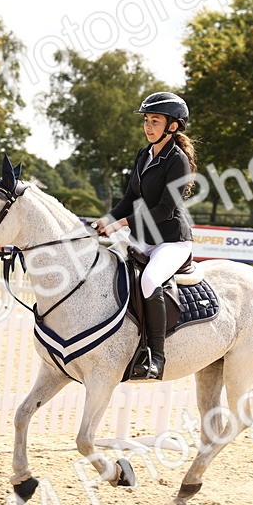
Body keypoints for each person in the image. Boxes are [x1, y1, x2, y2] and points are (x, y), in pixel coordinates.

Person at [95, 91, 197, 381]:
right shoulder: (144, 155)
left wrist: (122, 223)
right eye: (147, 121)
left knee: (150, 280)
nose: (148, 126)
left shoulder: (178, 161)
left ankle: (156, 356)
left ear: (173, 126)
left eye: (155, 121)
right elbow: (129, 198)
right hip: (143, 237)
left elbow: (165, 209)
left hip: (172, 241)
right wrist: (107, 220)